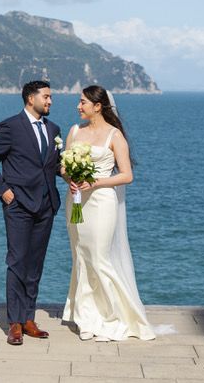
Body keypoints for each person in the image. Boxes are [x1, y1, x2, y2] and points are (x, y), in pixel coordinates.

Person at [62, 84, 156, 341]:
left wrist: (96, 182)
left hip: (102, 202)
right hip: (76, 201)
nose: (78, 106)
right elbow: (63, 166)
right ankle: (87, 319)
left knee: (100, 258)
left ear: (97, 106)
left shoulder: (114, 136)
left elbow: (127, 175)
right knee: (81, 256)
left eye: (82, 102)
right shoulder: (74, 131)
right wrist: (70, 177)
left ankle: (112, 318)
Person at [0, 79, 63, 346]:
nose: (50, 101)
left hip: (46, 205)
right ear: (31, 98)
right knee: (17, 262)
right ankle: (14, 322)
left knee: (35, 264)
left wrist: (74, 173)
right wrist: (2, 190)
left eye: (51, 97)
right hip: (18, 206)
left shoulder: (54, 129)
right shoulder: (10, 126)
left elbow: (54, 165)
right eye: (47, 97)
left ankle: (28, 318)